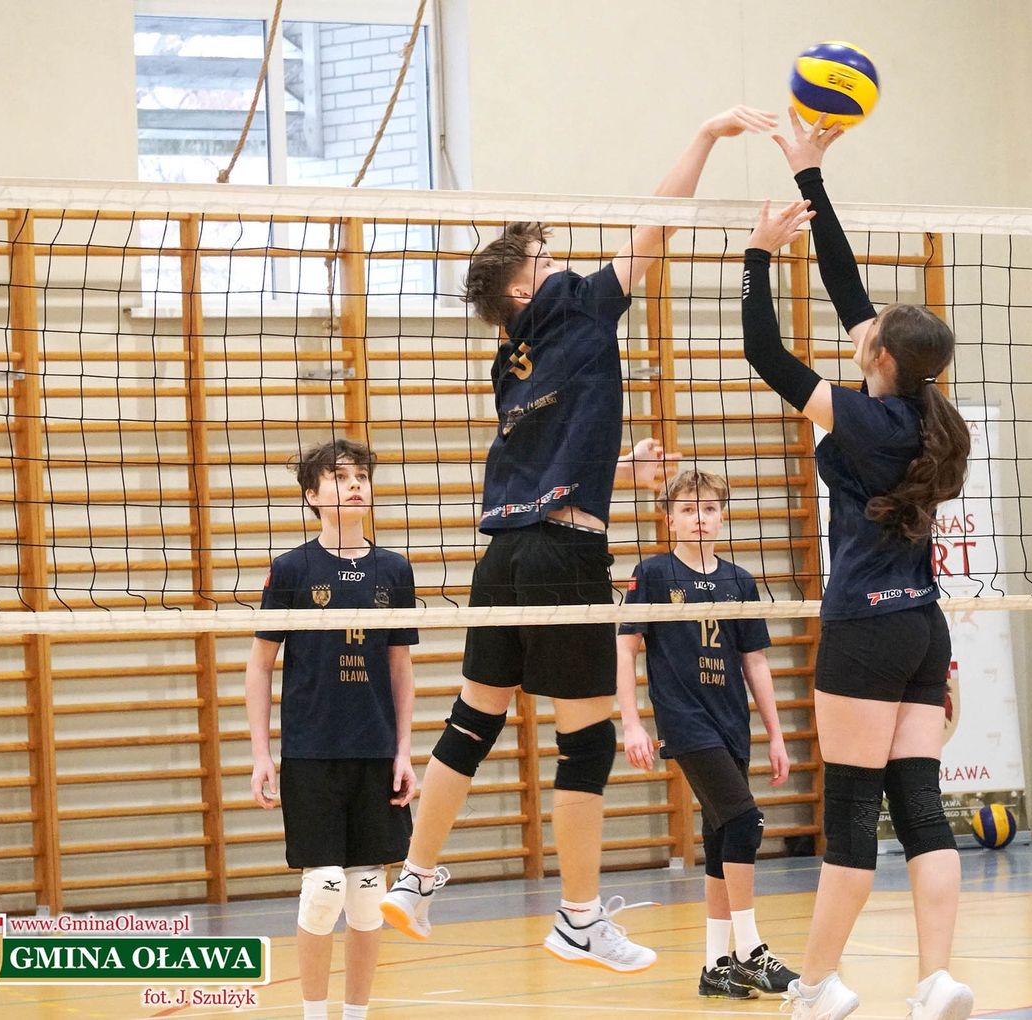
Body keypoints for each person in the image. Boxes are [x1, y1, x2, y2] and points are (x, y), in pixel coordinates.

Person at [379, 105, 778, 974]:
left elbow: (549, 449)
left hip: (504, 556)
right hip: (564, 558)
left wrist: (616, 468)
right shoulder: (579, 309)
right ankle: (579, 919)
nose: (560, 265)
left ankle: (412, 878)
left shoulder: (510, 360)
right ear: (527, 291)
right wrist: (704, 136)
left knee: (472, 721)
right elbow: (657, 225)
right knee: (588, 742)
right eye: (545, 261)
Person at [739, 109, 976, 1020]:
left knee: (848, 814)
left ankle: (816, 987)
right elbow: (849, 289)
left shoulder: (866, 420)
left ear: (879, 357)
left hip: (866, 631)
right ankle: (936, 979)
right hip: (921, 629)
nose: (859, 329)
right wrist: (810, 178)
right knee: (920, 809)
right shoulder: (928, 413)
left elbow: (765, 353)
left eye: (869, 334)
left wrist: (759, 255)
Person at [245, 439, 419, 1020]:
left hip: (375, 752)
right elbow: (259, 665)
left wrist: (404, 751)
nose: (355, 484)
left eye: (361, 475)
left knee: (368, 895)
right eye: (340, 476)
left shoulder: (394, 569)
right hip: (311, 753)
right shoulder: (292, 569)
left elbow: (400, 668)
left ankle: (356, 1015)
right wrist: (262, 755)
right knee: (322, 890)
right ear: (312, 495)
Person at [616, 469, 799, 999]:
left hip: (731, 721)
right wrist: (632, 723)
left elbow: (755, 662)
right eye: (688, 509)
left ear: (722, 516)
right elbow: (626, 649)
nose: (700, 518)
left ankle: (715, 965)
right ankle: (750, 951)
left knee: (722, 838)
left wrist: (776, 735)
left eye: (710, 508)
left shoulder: (740, 580)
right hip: (685, 720)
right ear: (669, 519)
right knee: (745, 820)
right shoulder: (652, 573)